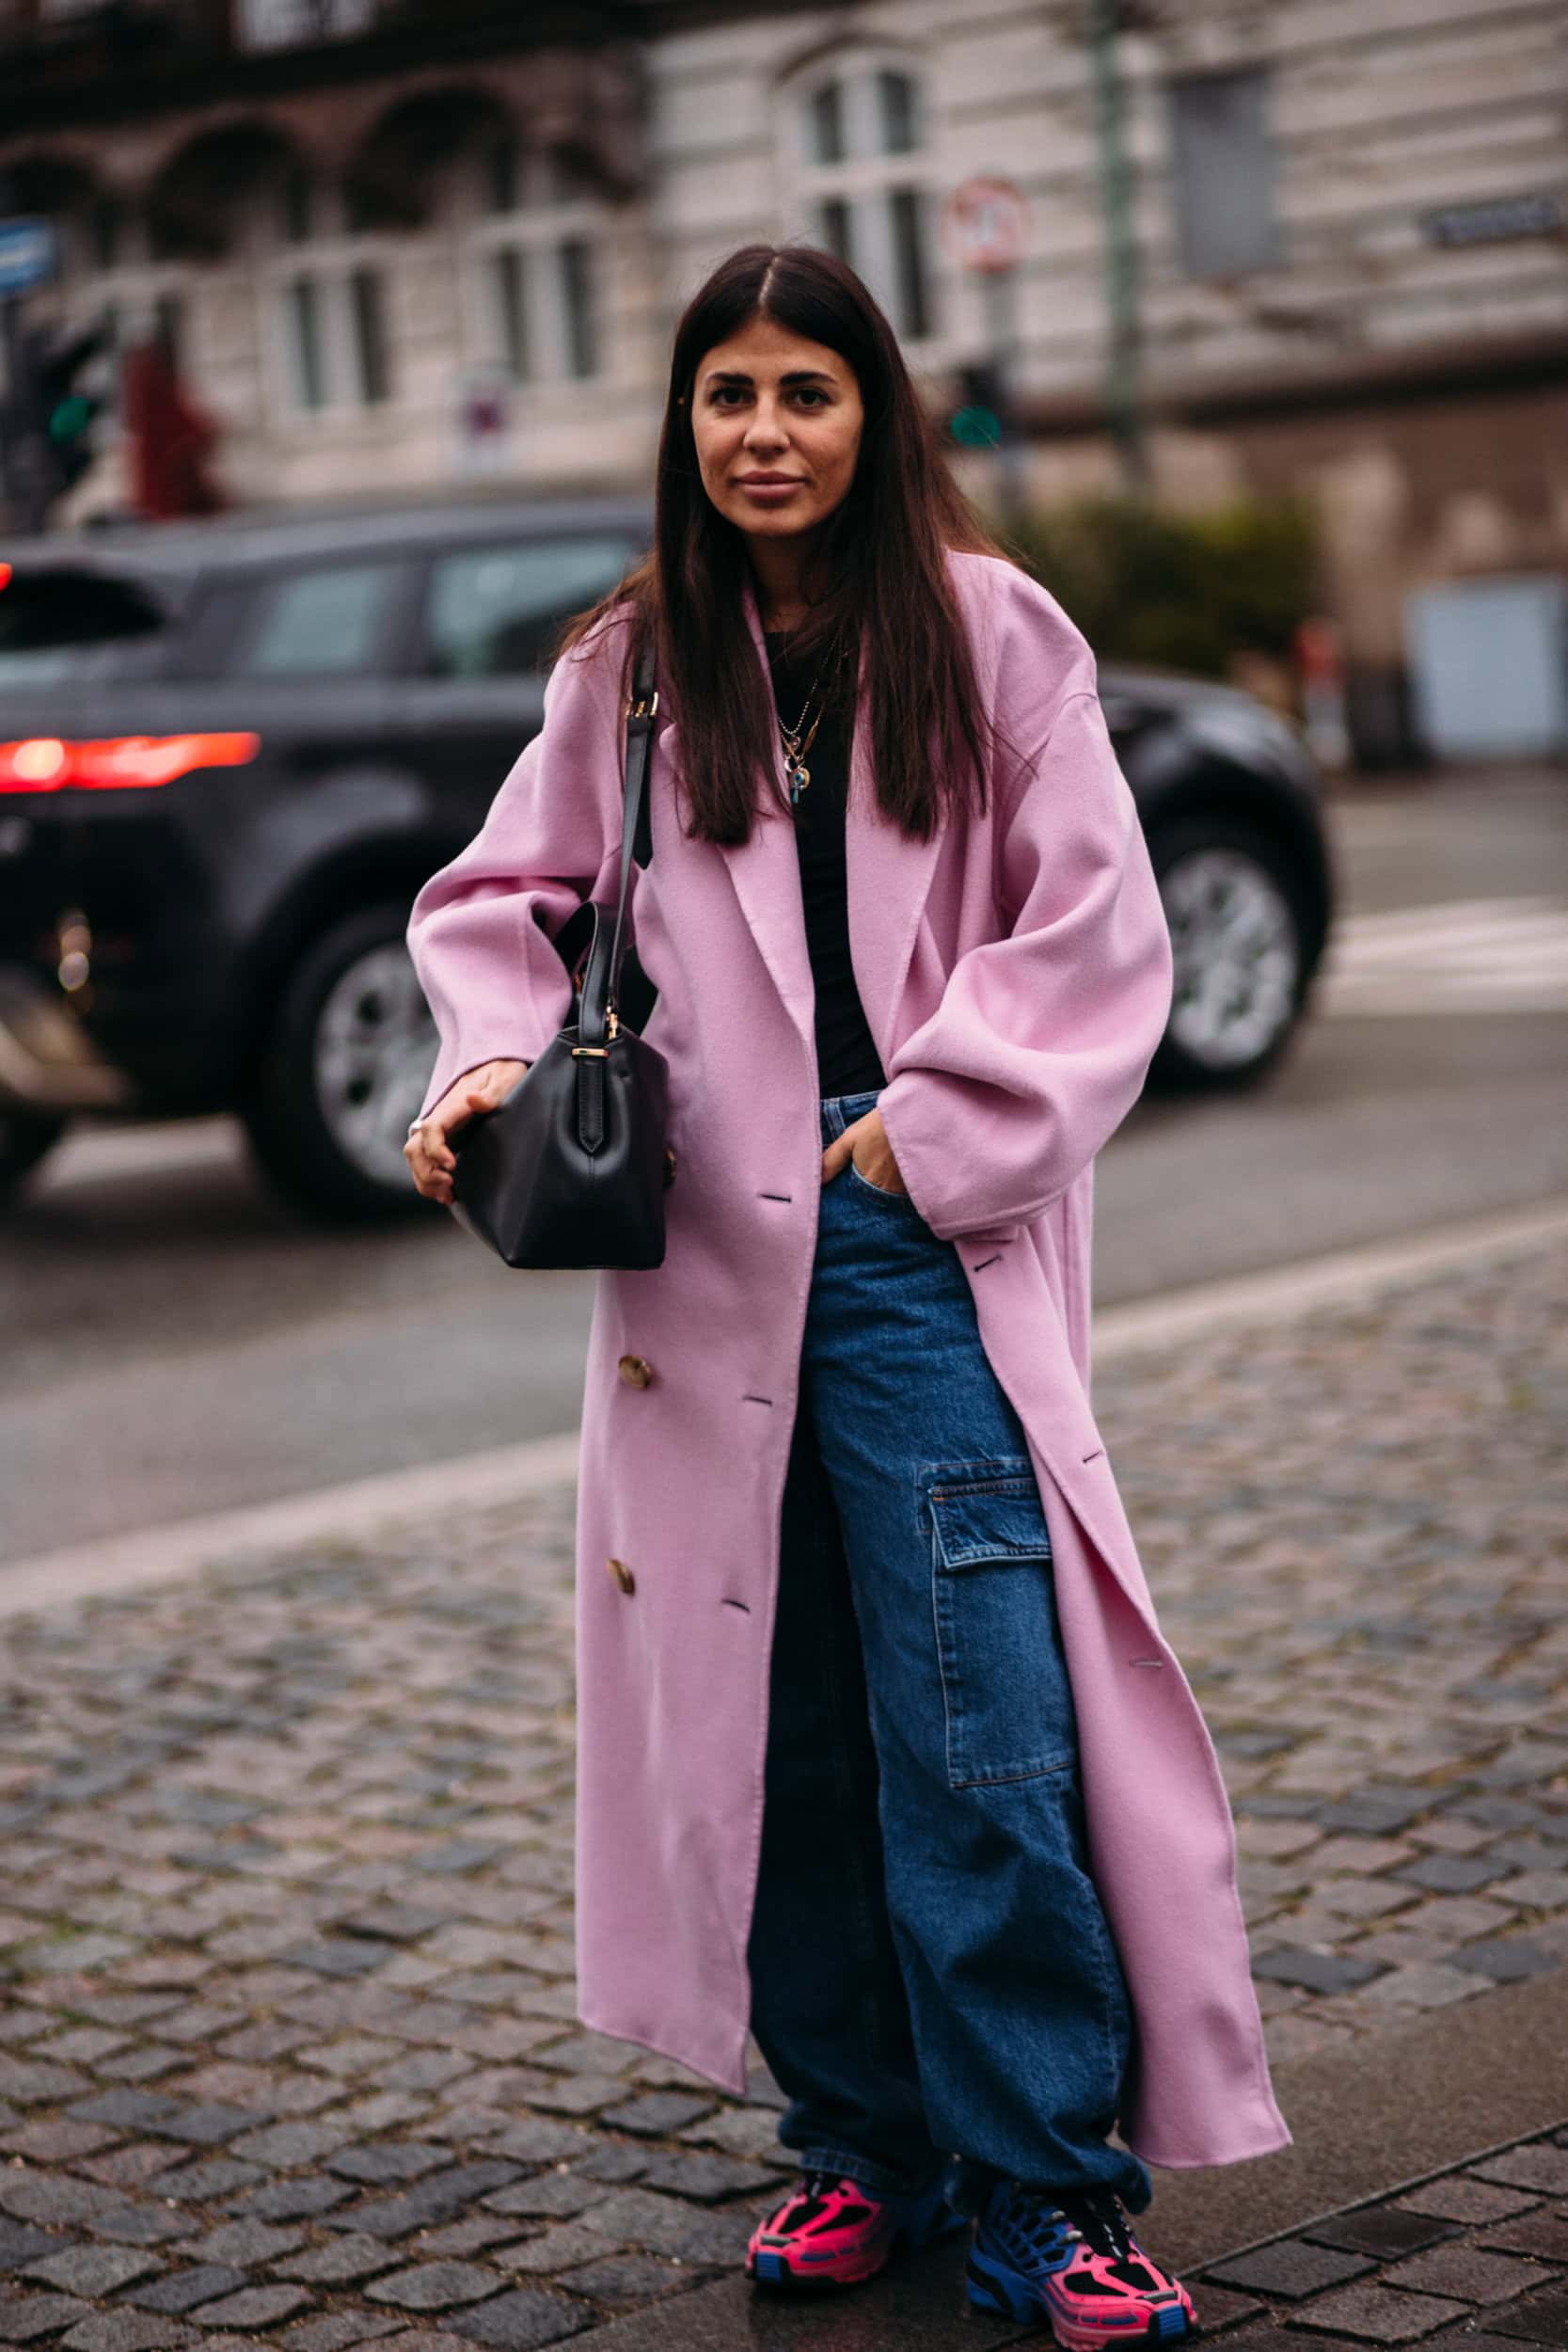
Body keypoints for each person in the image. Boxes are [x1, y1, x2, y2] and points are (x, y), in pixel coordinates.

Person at [404, 242, 1289, 2349]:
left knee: (982, 1734)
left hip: (914, 1248)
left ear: (874, 412)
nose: (767, 432)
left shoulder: (989, 631)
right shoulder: (632, 664)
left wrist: (929, 1124)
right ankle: (864, 2142)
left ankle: (1047, 2189)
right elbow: (505, 898)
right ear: (685, 424)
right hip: (699, 1258)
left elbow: (1098, 923)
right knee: (775, 1724)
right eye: (730, 394)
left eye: (807, 390)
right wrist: (486, 1060)